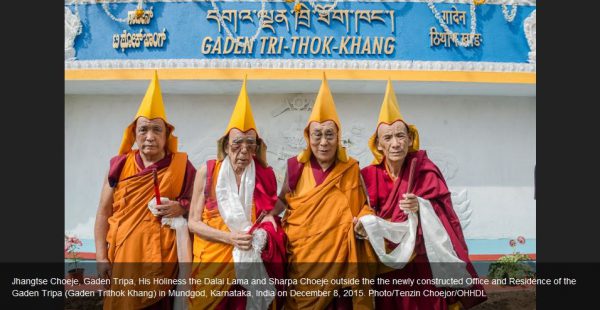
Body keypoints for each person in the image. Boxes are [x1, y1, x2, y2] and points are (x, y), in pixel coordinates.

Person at [358, 79, 487, 309]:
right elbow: (363, 209)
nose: (395, 143)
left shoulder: (425, 169)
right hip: (388, 262)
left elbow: (447, 216)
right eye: (388, 138)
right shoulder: (368, 175)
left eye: (400, 136)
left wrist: (422, 207)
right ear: (377, 145)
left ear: (410, 139)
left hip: (422, 260)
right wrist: (364, 223)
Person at [269, 73, 377, 309]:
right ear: (308, 137)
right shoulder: (295, 167)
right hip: (303, 260)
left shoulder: (350, 168)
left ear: (338, 137)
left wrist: (365, 221)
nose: (323, 142)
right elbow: (280, 203)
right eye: (317, 134)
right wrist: (260, 215)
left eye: (330, 134)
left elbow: (364, 207)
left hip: (340, 266)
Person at [94, 71, 196, 309]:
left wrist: (180, 207)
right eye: (143, 130)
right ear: (134, 134)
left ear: (167, 134)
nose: (150, 137)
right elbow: (103, 212)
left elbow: (199, 207)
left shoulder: (181, 165)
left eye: (156, 130)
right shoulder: (119, 165)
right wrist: (100, 257)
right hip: (124, 257)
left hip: (163, 260)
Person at [188, 76, 286, 310]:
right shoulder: (208, 171)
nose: (244, 150)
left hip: (251, 263)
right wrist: (229, 238)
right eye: (237, 143)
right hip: (214, 264)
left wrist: (264, 235)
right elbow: (193, 222)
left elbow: (269, 217)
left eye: (250, 144)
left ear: (257, 147)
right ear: (225, 146)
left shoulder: (264, 175)